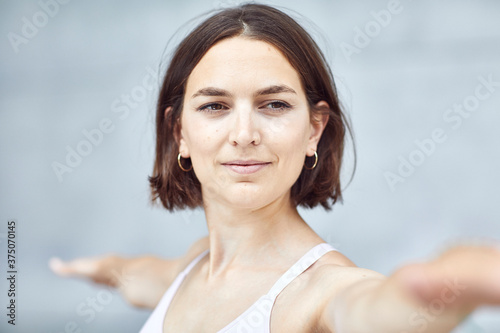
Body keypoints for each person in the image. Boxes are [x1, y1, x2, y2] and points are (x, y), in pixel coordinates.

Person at [50, 3, 500, 332]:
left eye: (274, 104)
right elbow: (135, 276)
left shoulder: (322, 291)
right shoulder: (192, 265)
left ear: (314, 130)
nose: (244, 133)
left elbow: (374, 308)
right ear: (179, 133)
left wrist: (454, 279)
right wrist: (92, 268)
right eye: (214, 106)